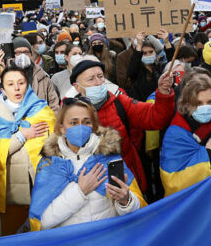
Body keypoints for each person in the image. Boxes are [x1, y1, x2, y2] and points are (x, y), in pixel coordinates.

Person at [29, 97, 144, 230]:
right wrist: (80, 191)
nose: (80, 127)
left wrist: (125, 201)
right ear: (62, 128)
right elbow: (42, 222)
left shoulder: (108, 158)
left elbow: (136, 210)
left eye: (86, 122)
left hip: (107, 242)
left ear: (93, 126)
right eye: (73, 122)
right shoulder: (50, 165)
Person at [67, 58, 175, 196]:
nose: (98, 82)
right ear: (77, 87)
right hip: (92, 189)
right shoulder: (69, 115)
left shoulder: (120, 102)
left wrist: (163, 92)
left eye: (100, 77)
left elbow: (155, 117)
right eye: (91, 79)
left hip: (129, 181)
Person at [0, 67, 55, 235]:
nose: (17, 88)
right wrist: (21, 136)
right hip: (8, 193)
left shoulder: (42, 111)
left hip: (39, 188)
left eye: (21, 83)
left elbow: (53, 149)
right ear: (3, 89)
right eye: (11, 84)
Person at [160, 76, 211, 196]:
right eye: (198, 103)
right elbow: (173, 183)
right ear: (187, 105)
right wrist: (209, 156)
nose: (205, 107)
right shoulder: (175, 135)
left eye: (210, 102)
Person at [11, 37, 59, 109]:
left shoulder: (42, 76)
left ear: (31, 54)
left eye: (26, 52)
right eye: (18, 52)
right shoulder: (5, 75)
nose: (22, 55)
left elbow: (54, 104)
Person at [127, 33, 162, 102]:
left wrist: (166, 42)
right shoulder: (137, 71)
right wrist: (139, 44)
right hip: (141, 106)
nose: (148, 55)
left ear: (155, 52)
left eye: (151, 52)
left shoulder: (159, 68)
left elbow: (172, 61)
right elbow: (131, 70)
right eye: (144, 53)